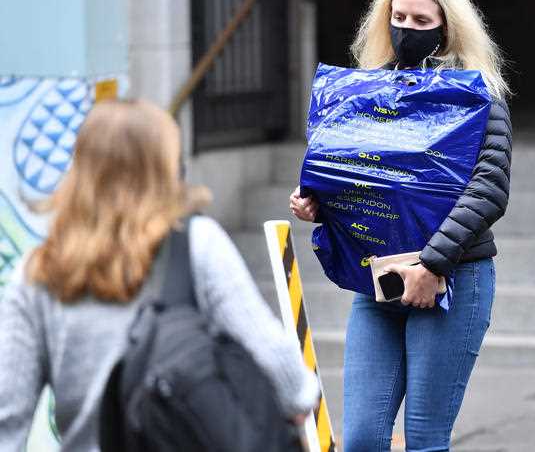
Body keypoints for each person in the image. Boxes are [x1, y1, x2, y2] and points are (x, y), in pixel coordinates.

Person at [0, 100, 319, 450]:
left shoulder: (39, 274)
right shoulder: (197, 244)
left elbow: (8, 416)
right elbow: (274, 358)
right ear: (165, 169)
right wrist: (301, 398)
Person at [290, 0, 512, 451]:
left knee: (424, 439)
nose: (407, 29)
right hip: (379, 279)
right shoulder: (365, 91)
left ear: (447, 28)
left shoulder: (478, 95)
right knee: (363, 439)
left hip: (452, 276)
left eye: (421, 21)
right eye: (400, 17)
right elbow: (364, 178)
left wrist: (432, 264)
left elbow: (489, 188)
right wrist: (321, 203)